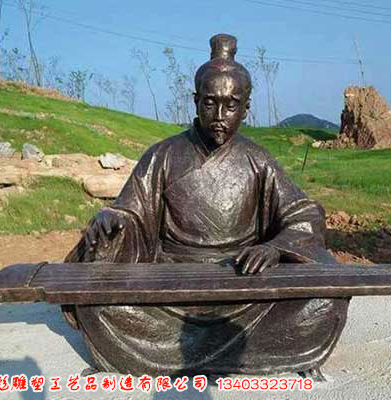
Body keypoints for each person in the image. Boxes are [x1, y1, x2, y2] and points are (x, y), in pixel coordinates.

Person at [63, 34, 349, 378]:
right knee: (94, 297)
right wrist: (112, 219)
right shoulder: (163, 155)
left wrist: (275, 248)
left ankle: (181, 357)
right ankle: (241, 356)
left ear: (246, 107)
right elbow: (132, 213)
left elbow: (303, 214)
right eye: (210, 103)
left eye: (231, 106)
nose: (219, 116)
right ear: (196, 101)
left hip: (244, 284)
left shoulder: (258, 160)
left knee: (327, 299)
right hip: (172, 287)